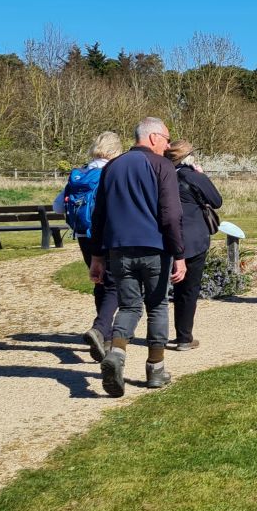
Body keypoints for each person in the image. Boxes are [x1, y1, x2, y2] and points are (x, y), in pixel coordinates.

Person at [88, 117, 186, 397]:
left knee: (130, 306)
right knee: (157, 306)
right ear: (153, 137)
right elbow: (171, 215)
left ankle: (116, 354)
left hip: (119, 249)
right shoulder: (162, 166)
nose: (168, 145)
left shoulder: (112, 167)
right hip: (155, 249)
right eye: (166, 139)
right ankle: (155, 369)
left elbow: (99, 215)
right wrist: (179, 254)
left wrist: (97, 255)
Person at [55, 131, 123, 362]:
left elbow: (57, 206)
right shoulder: (111, 172)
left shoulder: (79, 174)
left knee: (99, 281)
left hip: (84, 235)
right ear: (116, 151)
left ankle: (105, 333)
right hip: (107, 233)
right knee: (114, 283)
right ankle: (101, 330)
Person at [166, 139, 223, 351]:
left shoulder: (162, 176)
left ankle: (157, 336)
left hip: (164, 236)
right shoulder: (194, 176)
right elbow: (216, 201)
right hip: (193, 237)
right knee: (188, 289)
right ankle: (183, 337)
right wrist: (201, 176)